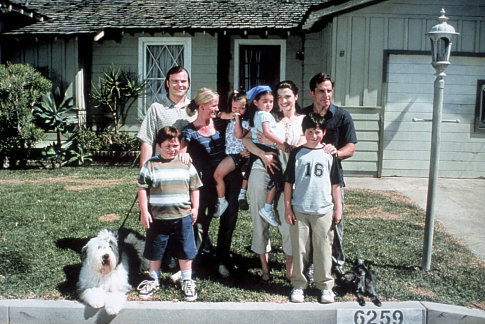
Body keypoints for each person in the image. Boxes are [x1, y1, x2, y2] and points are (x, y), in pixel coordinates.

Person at [242, 80, 304, 281]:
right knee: (260, 221)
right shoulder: (268, 117)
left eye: (287, 96)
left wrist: (281, 146)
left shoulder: (304, 121)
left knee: (288, 223)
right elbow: (245, 139)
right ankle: (265, 271)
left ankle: (290, 273)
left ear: (296, 96)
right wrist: (262, 154)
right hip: (263, 170)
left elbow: (300, 149)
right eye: (279, 97)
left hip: (288, 178)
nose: (282, 101)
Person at [180, 88, 242, 278]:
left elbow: (238, 138)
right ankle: (192, 263)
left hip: (230, 179)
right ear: (202, 106)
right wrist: (184, 154)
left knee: (228, 223)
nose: (216, 108)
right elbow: (182, 152)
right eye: (213, 105)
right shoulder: (189, 131)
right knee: (200, 223)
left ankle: (222, 260)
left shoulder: (221, 125)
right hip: (206, 184)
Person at [136, 126, 202, 301]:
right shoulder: (151, 164)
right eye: (168, 146)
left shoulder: (186, 164)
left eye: (175, 146)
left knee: (185, 249)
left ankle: (187, 280)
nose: (172, 150)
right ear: (158, 146)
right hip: (158, 218)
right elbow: (142, 189)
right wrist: (144, 211)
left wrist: (195, 208)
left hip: (182, 217)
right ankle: (153, 278)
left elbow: (195, 187)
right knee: (155, 249)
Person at [300, 73, 357, 275]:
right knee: (308, 222)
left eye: (329, 91)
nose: (326, 95)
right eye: (321, 91)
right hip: (306, 180)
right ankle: (311, 263)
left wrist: (336, 153)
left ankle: (337, 264)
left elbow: (351, 146)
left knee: (335, 220)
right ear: (312, 93)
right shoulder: (303, 116)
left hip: (332, 180)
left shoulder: (342, 116)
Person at [284, 113, 342, 303]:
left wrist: (338, 208)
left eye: (317, 132)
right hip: (300, 208)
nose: (314, 136)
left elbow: (336, 184)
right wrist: (287, 207)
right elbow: (288, 182)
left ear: (323, 132)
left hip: (323, 209)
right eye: (310, 132)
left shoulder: (330, 155)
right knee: (300, 249)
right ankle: (299, 285)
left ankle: (325, 285)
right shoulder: (297, 153)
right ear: (304, 132)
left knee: (323, 248)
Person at [137, 66, 194, 169]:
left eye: (183, 81)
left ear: (188, 84)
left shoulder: (196, 109)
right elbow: (147, 142)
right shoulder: (156, 108)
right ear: (167, 83)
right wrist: (144, 173)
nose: (179, 85)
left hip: (190, 172)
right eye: (175, 81)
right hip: (162, 171)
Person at [246, 85, 285, 227]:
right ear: (256, 102)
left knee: (275, 178)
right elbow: (267, 133)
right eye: (265, 101)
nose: (269, 104)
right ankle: (267, 208)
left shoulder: (257, 115)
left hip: (262, 148)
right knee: (277, 178)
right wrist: (284, 144)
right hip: (268, 148)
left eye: (271, 101)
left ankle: (266, 207)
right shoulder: (264, 115)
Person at [213, 90, 250, 217]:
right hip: (230, 154)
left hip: (238, 154)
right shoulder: (230, 117)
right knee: (218, 175)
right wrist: (230, 115)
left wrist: (238, 119)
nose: (238, 111)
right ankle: (233, 197)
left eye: (242, 108)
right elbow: (220, 114)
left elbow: (239, 134)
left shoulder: (246, 122)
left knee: (218, 175)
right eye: (235, 108)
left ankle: (222, 201)